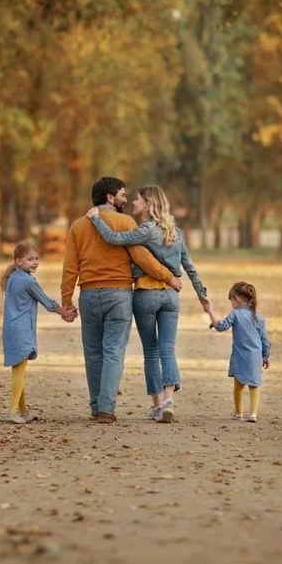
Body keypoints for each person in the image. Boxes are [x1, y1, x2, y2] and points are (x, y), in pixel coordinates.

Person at [61, 176, 183, 424]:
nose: (126, 200)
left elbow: (70, 268)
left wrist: (66, 301)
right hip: (119, 295)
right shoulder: (125, 222)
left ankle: (96, 406)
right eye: (123, 195)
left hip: (88, 294)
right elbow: (141, 257)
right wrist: (168, 276)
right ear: (110, 197)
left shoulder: (77, 226)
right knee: (113, 351)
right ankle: (107, 408)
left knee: (93, 352)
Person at [86, 184, 207, 423]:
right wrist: (202, 294)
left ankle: (157, 405)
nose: (134, 203)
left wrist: (96, 219)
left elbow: (113, 239)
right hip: (171, 297)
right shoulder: (176, 232)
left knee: (151, 351)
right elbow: (190, 267)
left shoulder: (146, 230)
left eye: (138, 200)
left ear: (149, 204)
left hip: (146, 293)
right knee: (168, 348)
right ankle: (169, 401)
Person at [1, 241, 77, 424]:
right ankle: (12, 412)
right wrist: (65, 312)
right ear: (18, 261)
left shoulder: (13, 277)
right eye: (30, 259)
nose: (34, 262)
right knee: (19, 371)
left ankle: (23, 411)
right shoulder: (27, 281)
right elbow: (47, 302)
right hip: (21, 330)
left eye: (36, 259)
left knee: (19, 369)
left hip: (11, 328)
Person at [203, 281, 271, 423]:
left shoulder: (235, 314)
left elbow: (221, 326)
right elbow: (265, 340)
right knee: (254, 385)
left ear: (238, 299)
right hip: (255, 357)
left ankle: (238, 413)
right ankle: (253, 414)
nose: (231, 304)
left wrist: (210, 311)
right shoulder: (259, 317)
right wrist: (265, 356)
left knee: (238, 385)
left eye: (232, 300)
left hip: (240, 357)